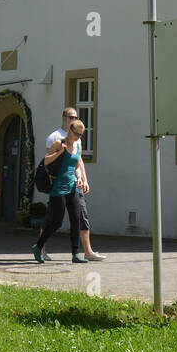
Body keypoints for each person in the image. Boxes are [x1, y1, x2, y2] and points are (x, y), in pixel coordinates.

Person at [42, 107, 104, 261]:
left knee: (80, 215)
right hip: (59, 185)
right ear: (64, 118)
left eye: (76, 116)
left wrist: (84, 178)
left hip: (75, 184)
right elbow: (48, 162)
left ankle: (87, 252)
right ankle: (41, 249)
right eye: (71, 117)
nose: (74, 119)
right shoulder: (55, 137)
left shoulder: (78, 138)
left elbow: (79, 160)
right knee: (53, 219)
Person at [32, 120, 87, 263]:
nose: (78, 137)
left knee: (76, 219)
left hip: (72, 187)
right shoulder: (58, 143)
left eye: (81, 135)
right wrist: (61, 151)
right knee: (56, 222)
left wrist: (79, 178)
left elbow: (76, 166)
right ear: (70, 130)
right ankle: (38, 246)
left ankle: (75, 254)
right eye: (77, 134)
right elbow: (45, 161)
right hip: (58, 188)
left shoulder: (77, 146)